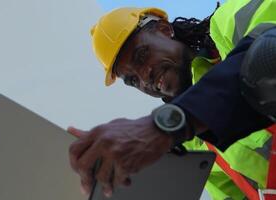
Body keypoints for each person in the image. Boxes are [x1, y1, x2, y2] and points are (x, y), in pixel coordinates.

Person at [68, 1, 276, 199]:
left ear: (164, 30)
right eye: (132, 80)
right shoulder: (197, 146)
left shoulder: (229, 23)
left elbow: (270, 51)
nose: (144, 78)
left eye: (141, 56)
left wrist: (164, 126)